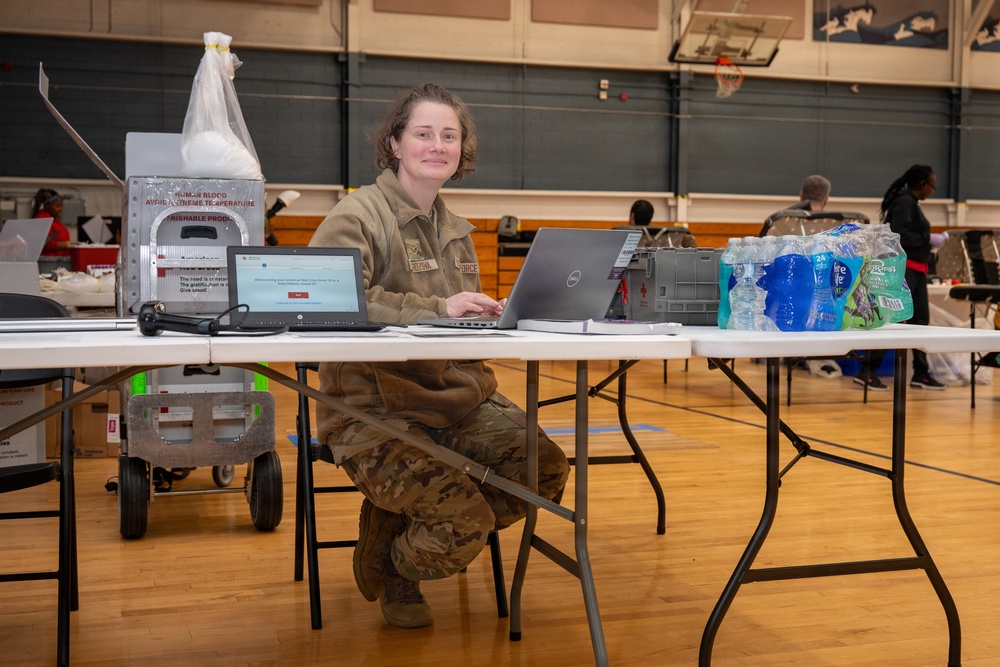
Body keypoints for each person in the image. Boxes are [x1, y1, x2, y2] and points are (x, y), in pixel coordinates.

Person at [308, 83, 570, 630]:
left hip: (455, 398)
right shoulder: (355, 216)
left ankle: (399, 534)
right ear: (395, 144)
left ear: (462, 149)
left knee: (543, 469)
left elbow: (447, 316)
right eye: (423, 133)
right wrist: (434, 307)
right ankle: (402, 563)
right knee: (465, 520)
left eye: (449, 136)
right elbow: (327, 304)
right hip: (372, 409)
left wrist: (479, 316)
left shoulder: (456, 231)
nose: (438, 145)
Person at [855, 164, 947, 391]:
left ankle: (921, 373)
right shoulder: (905, 202)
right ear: (923, 184)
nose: (932, 191)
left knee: (919, 322)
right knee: (890, 318)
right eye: (933, 186)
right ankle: (867, 370)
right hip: (904, 271)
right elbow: (899, 236)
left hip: (917, 269)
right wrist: (929, 238)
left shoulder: (910, 203)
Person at [774, 175, 841, 379]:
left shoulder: (782, 223)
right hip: (829, 295)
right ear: (827, 199)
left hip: (789, 296)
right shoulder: (837, 225)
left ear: (801, 195)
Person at [30, 188, 71, 256]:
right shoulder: (42, 219)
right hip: (49, 262)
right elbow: (44, 244)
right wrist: (68, 244)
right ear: (47, 206)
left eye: (61, 206)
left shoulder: (54, 220)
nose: (61, 209)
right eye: (57, 206)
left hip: (59, 260)